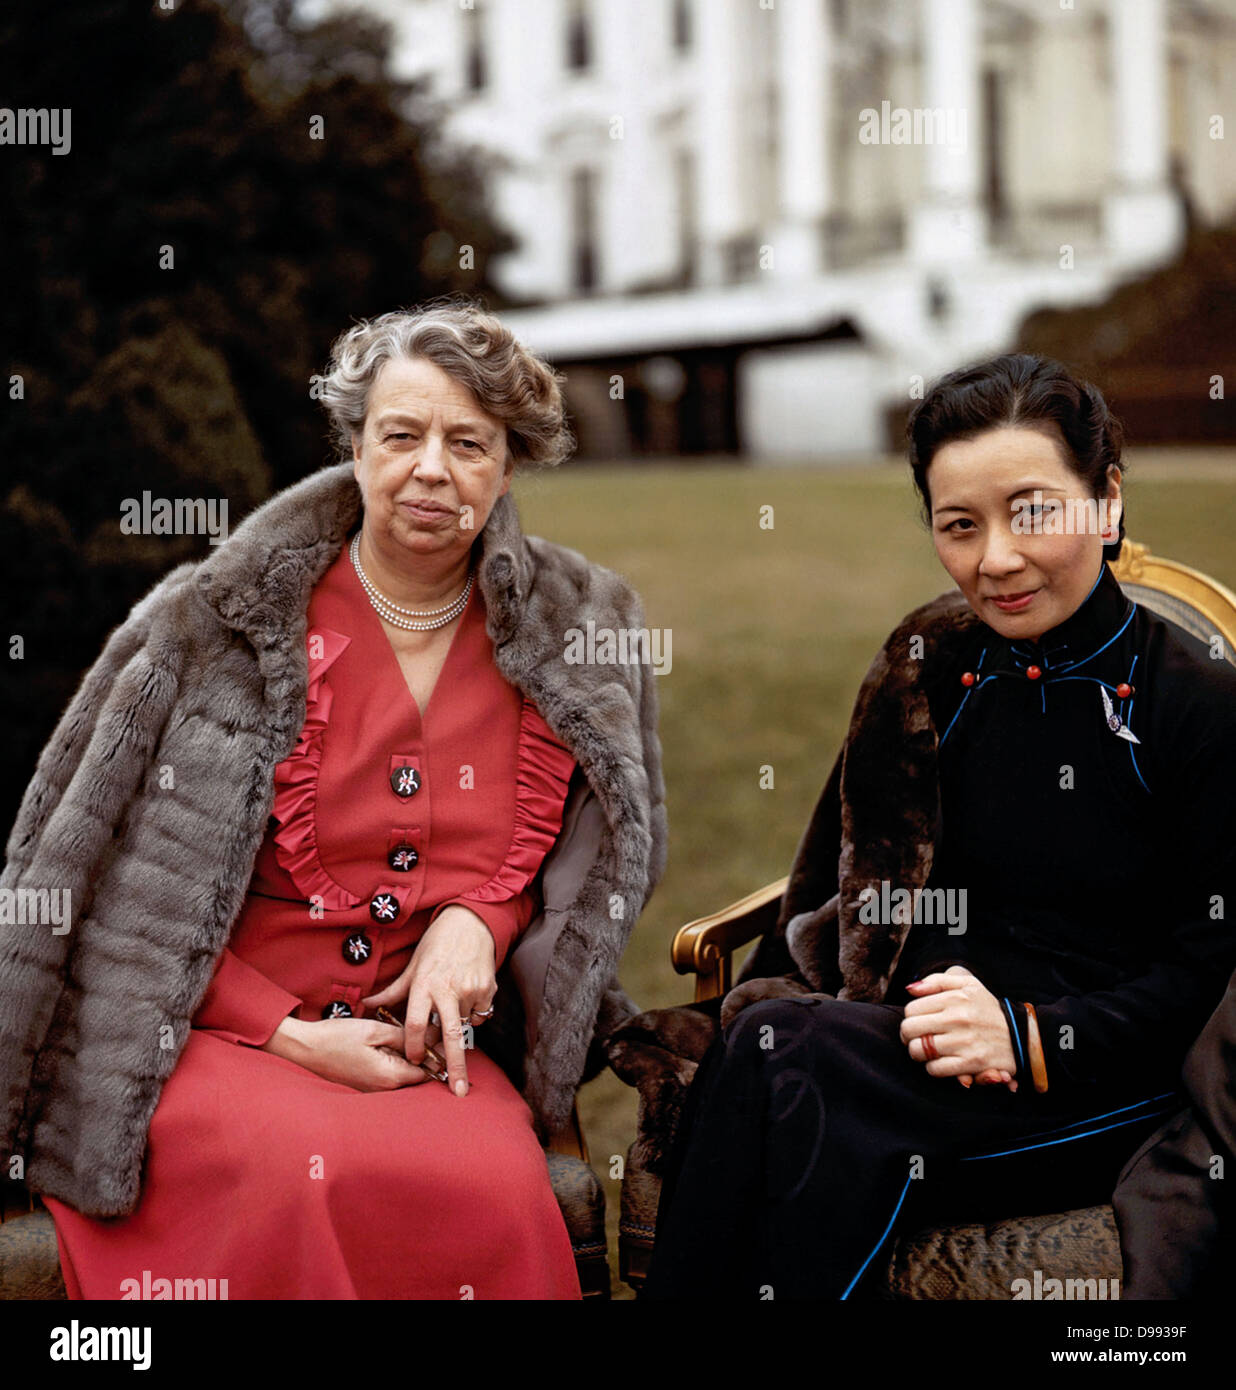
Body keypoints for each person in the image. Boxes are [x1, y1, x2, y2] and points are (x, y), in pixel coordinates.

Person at [0, 301, 667, 1299]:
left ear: (509, 465)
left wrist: (478, 923)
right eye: (401, 434)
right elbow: (99, 891)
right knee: (296, 1180)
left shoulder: (581, 630)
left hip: (424, 1053)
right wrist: (290, 1034)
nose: (431, 469)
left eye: (468, 443)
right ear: (354, 444)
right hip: (212, 1032)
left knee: (489, 1188)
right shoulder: (207, 627)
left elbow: (587, 857)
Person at [642, 353, 1236, 1300]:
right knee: (773, 1052)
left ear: (1107, 499)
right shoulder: (930, 674)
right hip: (911, 1050)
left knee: (781, 1061)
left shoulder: (1200, 705)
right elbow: (842, 879)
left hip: (1103, 1083)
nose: (994, 559)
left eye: (1032, 509)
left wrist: (1030, 1034)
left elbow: (1210, 977)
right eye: (960, 526)